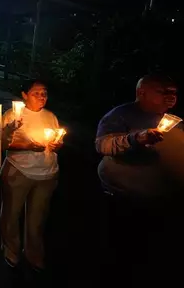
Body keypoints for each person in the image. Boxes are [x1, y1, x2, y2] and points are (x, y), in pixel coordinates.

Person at [95, 74, 182, 284]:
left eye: (173, 93)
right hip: (124, 196)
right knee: (121, 248)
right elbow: (103, 146)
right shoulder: (120, 116)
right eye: (163, 91)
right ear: (141, 93)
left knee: (150, 249)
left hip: (158, 198)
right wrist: (136, 139)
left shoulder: (172, 120)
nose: (170, 97)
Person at [0, 79, 62, 271]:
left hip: (47, 173)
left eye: (44, 93)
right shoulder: (12, 116)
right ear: (24, 95)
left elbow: (55, 139)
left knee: (38, 217)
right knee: (11, 213)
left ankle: (34, 252)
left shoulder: (50, 116)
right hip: (19, 171)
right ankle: (11, 249)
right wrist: (27, 146)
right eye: (36, 93)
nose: (42, 97)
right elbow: (1, 143)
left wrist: (57, 144)